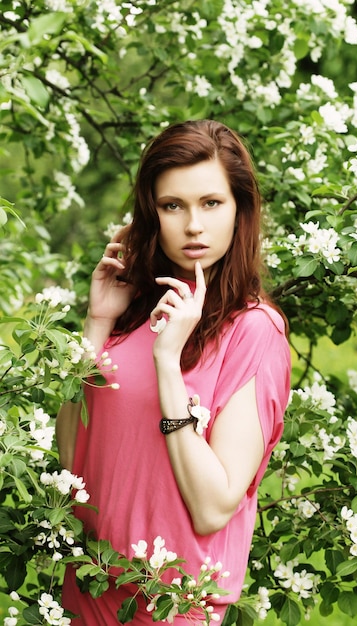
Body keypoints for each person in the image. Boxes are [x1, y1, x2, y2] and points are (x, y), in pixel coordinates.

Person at [56, 119, 291, 624]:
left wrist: (168, 363)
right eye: (172, 205)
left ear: (240, 210)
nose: (193, 226)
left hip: (169, 608)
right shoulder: (132, 314)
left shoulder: (255, 331)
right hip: (86, 589)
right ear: (152, 213)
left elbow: (212, 509)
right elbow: (71, 462)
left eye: (211, 203)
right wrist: (98, 323)